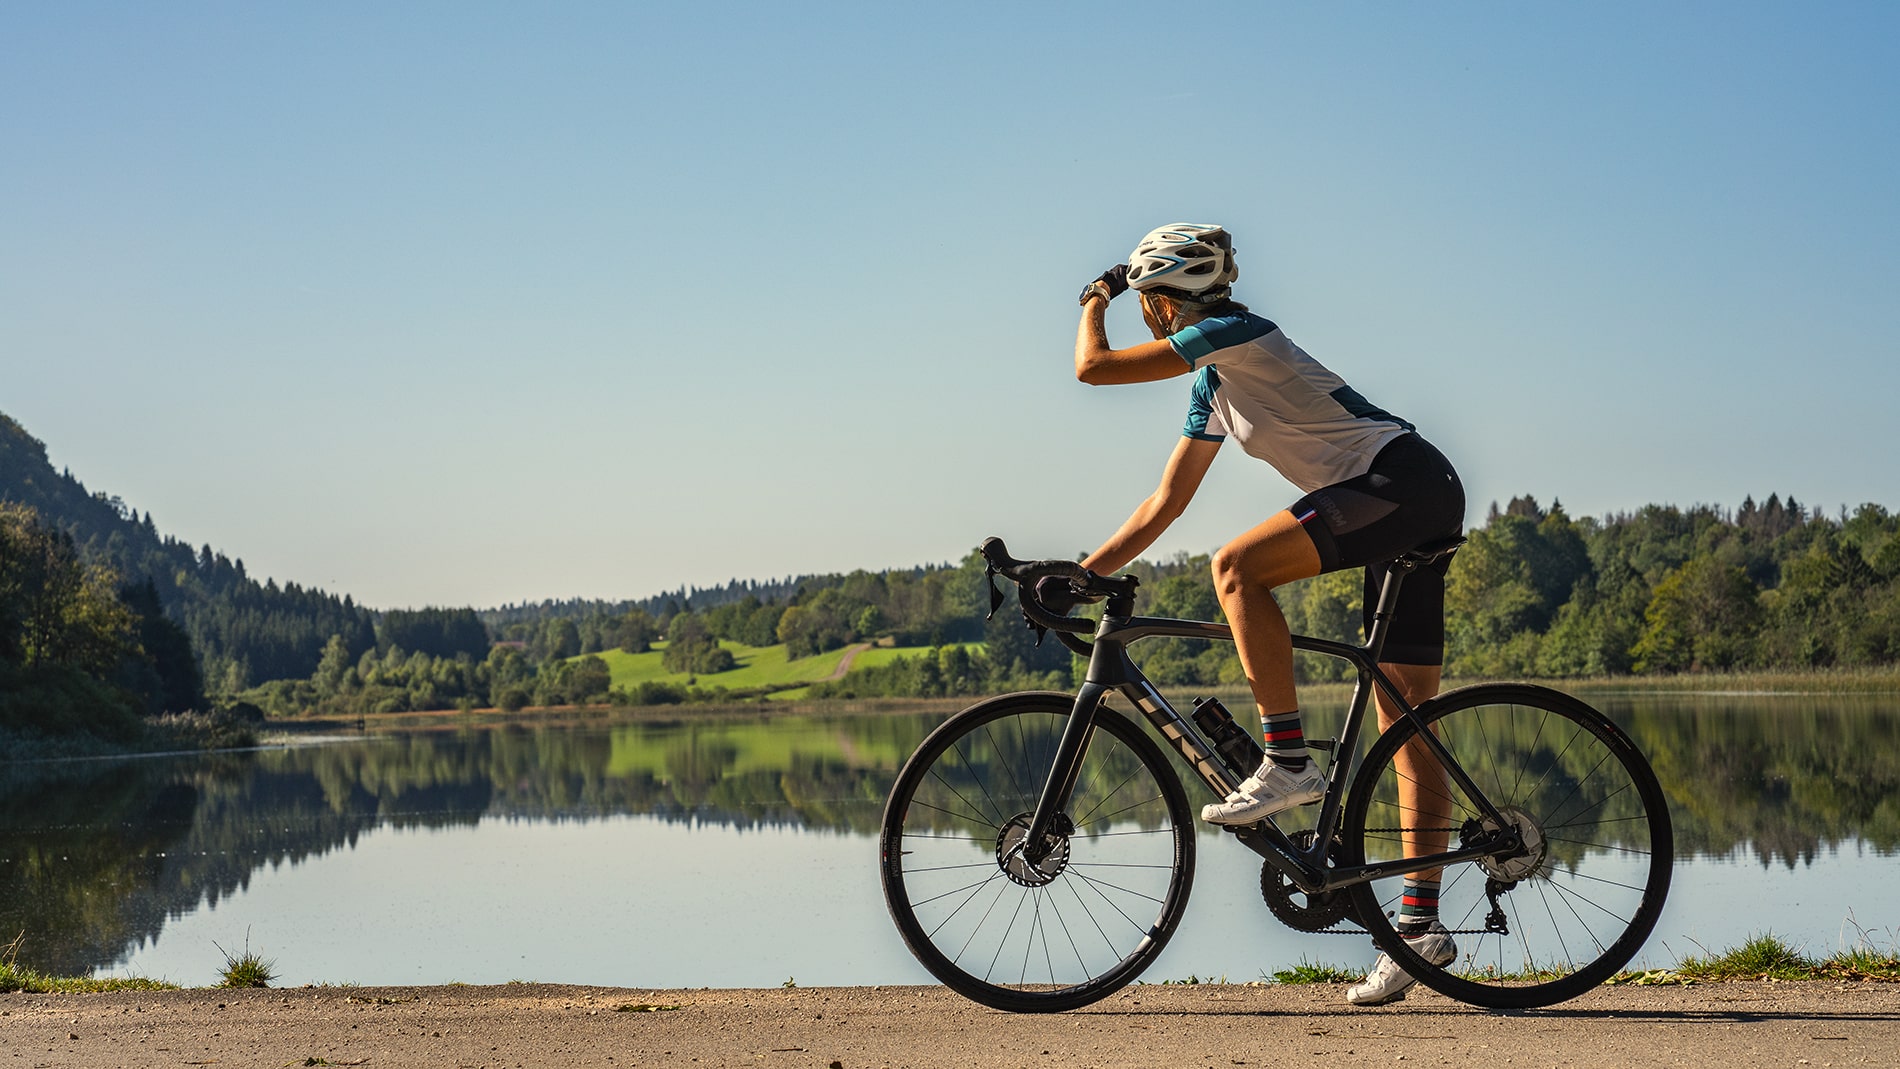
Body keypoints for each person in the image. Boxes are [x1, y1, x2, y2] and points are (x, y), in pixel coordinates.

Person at [1067, 223, 1465, 1007]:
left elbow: (1092, 367)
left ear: (1155, 300)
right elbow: (1165, 503)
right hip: (1415, 492)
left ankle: (1287, 761)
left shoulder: (1233, 331)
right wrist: (1085, 573)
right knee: (1406, 723)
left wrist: (1091, 296)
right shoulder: (1214, 378)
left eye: (1142, 300)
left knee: (1238, 567)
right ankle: (1421, 933)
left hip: (1400, 484)